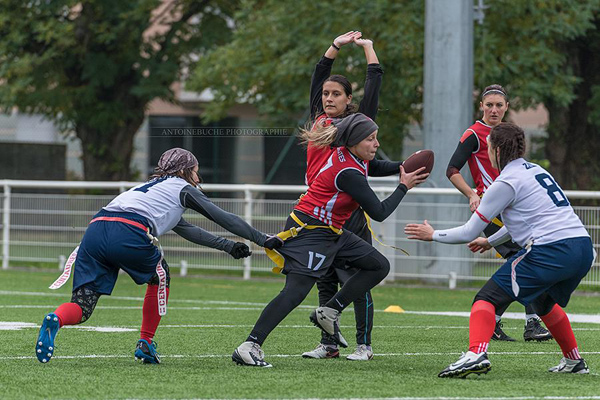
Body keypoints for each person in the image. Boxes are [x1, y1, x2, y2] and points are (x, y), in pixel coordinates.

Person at [35, 148, 282, 364]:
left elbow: (187, 229)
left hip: (95, 230)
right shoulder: (181, 188)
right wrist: (262, 239)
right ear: (184, 171)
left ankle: (56, 318)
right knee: (159, 276)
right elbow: (222, 217)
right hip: (128, 230)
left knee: (83, 305)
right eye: (195, 171)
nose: (198, 176)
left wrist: (227, 246)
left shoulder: (147, 190)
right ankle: (145, 343)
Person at [232, 113, 429, 367]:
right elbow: (379, 213)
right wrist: (403, 186)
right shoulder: (348, 172)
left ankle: (330, 310)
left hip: (331, 231)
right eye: (371, 139)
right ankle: (250, 345)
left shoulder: (353, 156)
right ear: (355, 141)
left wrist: (403, 164)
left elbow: (376, 166)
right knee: (295, 292)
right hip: (310, 231)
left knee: (379, 265)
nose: (376, 144)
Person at [406, 122, 595, 378]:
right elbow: (529, 218)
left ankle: (476, 354)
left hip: (552, 249)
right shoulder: (536, 170)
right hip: (582, 247)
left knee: (487, 299)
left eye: (488, 146)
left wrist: (433, 235)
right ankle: (574, 361)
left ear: (495, 149)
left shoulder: (504, 182)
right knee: (543, 301)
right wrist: (490, 241)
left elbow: (468, 231)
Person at [303, 31, 387, 361]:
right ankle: (329, 344)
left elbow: (374, 87)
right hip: (319, 213)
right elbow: (318, 74)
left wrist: (368, 49)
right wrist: (334, 46)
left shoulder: (357, 124)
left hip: (348, 213)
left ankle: (364, 345)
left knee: (356, 280)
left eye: (336, 93)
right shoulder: (318, 121)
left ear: (348, 98)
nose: (328, 97)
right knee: (324, 279)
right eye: (326, 93)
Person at [446, 84, 552, 342]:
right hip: (491, 209)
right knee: (524, 259)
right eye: (489, 105)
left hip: (513, 207)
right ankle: (526, 322)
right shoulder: (473, 133)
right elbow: (451, 170)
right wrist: (472, 194)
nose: (494, 109)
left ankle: (504, 320)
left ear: (506, 107)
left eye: (499, 105)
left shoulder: (508, 134)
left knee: (525, 259)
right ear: (481, 106)